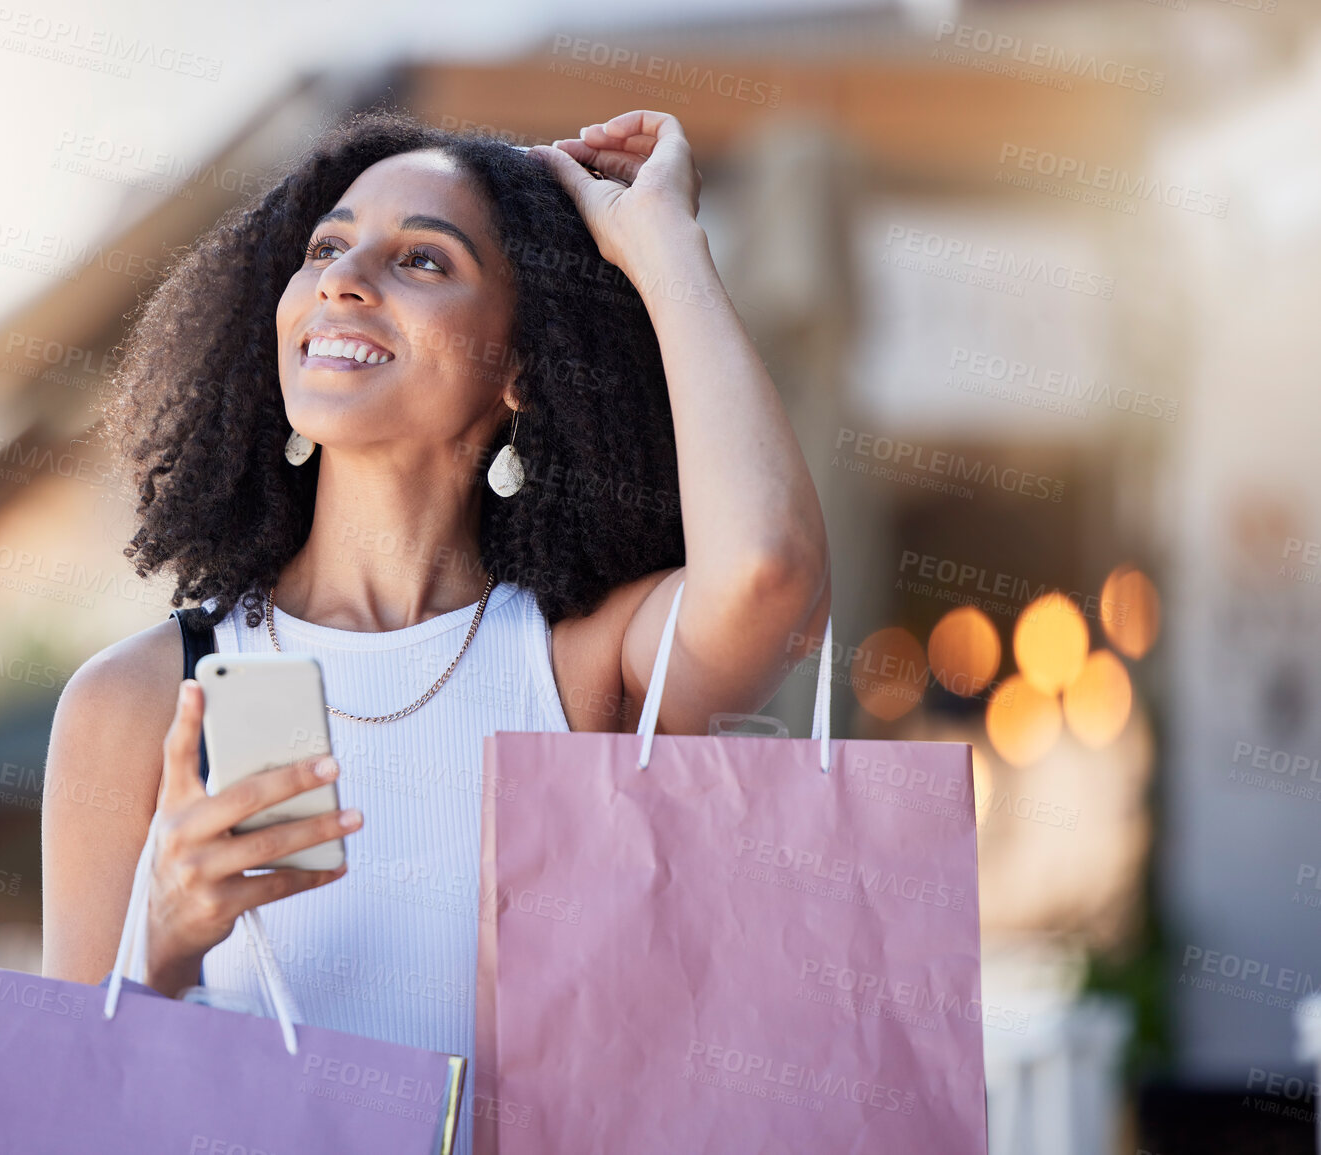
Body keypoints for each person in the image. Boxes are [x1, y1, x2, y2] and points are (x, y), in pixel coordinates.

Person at [40, 106, 830, 1147]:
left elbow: (768, 576)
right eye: (326, 246)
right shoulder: (143, 700)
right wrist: (164, 947)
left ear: (522, 369)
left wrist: (666, 247)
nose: (344, 276)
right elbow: (52, 1120)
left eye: (422, 258)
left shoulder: (581, 666)